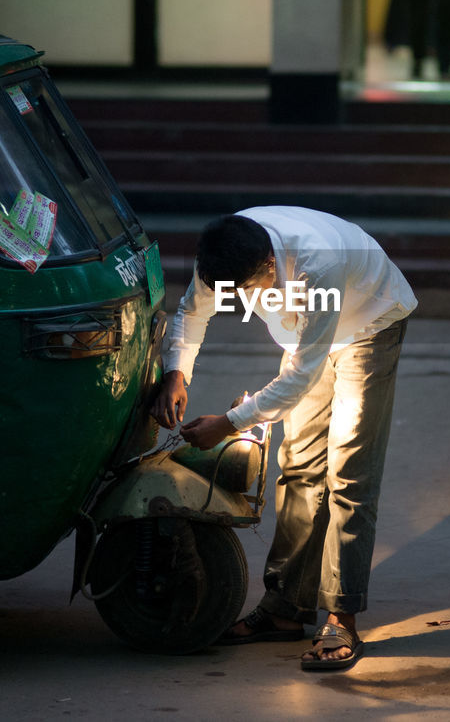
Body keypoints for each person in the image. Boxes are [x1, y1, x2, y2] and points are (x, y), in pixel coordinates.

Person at [152, 206, 416, 672]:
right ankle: (286, 609)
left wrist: (230, 423)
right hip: (307, 338)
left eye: (247, 293)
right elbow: (191, 314)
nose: (240, 301)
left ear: (270, 268)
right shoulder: (223, 250)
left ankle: (342, 616)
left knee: (349, 476)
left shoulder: (318, 265)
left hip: (369, 320)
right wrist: (177, 373)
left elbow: (302, 377)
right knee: (299, 468)